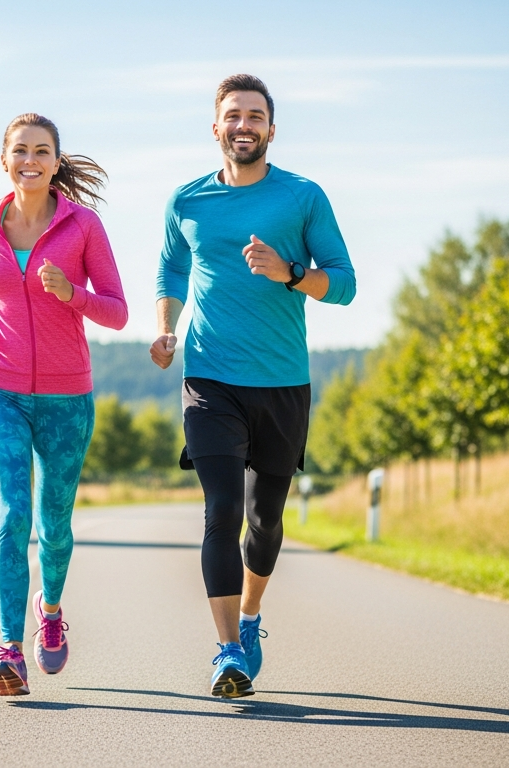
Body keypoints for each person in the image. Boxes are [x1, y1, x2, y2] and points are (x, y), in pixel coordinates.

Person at [151, 75, 356, 698]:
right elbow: (170, 270)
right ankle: (227, 652)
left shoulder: (302, 197)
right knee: (223, 510)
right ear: (215, 127)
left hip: (282, 382)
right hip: (210, 376)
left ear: (271, 129)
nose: (244, 125)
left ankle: (249, 618)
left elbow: (343, 284)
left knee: (265, 519)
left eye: (256, 116)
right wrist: (165, 330)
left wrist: (290, 273)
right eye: (233, 115)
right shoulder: (187, 201)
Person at [0, 113, 127, 696]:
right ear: (4, 160)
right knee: (13, 515)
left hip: (68, 396)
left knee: (55, 525)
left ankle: (52, 606)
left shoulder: (82, 226)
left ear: (56, 161)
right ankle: (10, 649)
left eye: (42, 151)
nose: (30, 160)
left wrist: (72, 294)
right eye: (20, 151)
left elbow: (117, 311)